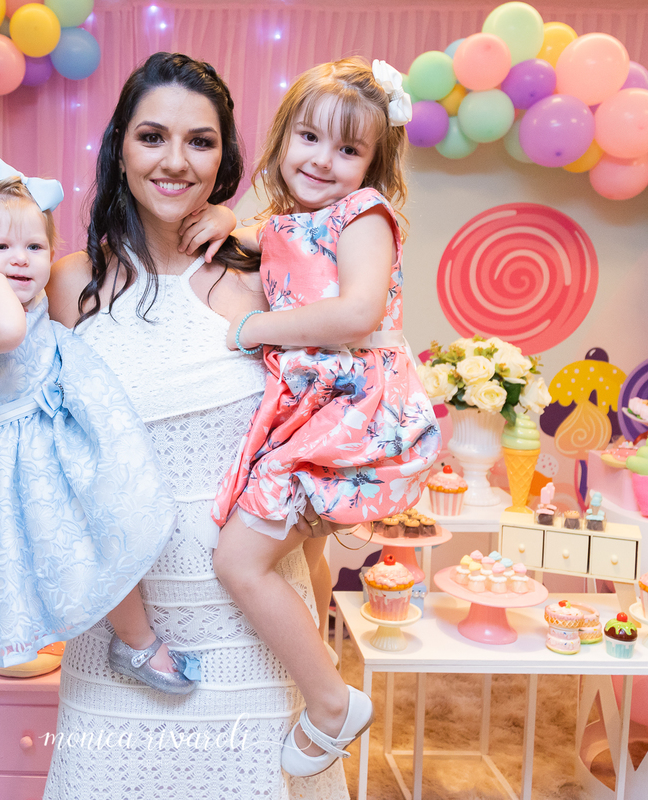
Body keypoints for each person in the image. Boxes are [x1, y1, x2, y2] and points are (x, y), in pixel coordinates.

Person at [43, 53, 349, 799]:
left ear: (227, 156)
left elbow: (325, 419)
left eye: (200, 142)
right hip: (122, 631)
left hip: (249, 627)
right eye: (153, 137)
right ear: (120, 146)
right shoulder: (68, 283)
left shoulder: (270, 270)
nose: (176, 162)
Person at [205, 56, 441, 775]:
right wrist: (221, 216)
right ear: (282, 140)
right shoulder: (283, 222)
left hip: (355, 407)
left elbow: (358, 311)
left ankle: (333, 702)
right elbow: (244, 238)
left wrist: (252, 332)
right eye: (310, 138)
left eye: (349, 150)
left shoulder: (362, 214)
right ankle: (308, 675)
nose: (324, 160)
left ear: (373, 164)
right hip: (311, 407)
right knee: (301, 554)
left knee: (239, 561)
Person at [0, 158, 195, 695]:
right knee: (58, 558)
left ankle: (132, 639)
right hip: (13, 474)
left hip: (56, 448)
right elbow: (5, 332)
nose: (19, 261)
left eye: (34, 247)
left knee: (111, 532)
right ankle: (128, 642)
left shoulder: (34, 296)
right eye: (0, 248)